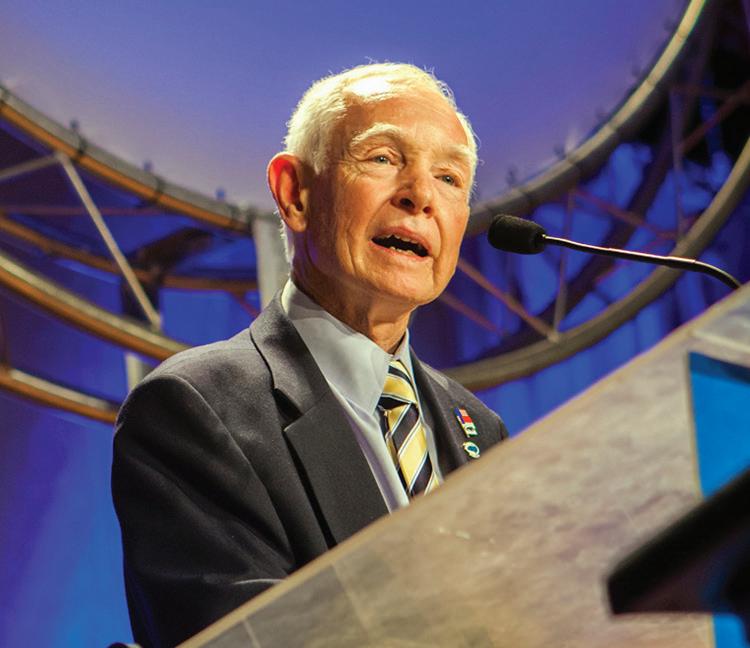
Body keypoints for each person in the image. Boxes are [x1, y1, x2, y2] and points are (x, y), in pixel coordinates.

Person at [112, 62, 508, 648]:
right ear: (294, 194)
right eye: (383, 158)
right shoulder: (195, 408)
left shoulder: (479, 428)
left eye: (449, 177)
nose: (421, 196)